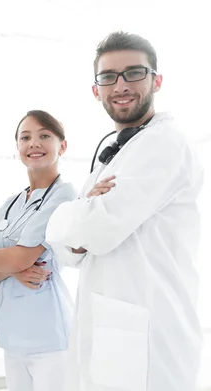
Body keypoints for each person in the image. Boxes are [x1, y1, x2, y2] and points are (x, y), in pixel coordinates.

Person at [46, 31, 204, 391]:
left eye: (134, 73)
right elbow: (73, 253)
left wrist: (65, 216)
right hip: (113, 330)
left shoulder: (163, 142)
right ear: (95, 89)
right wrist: (82, 216)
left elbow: (98, 230)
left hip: (149, 337)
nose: (120, 85)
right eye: (108, 77)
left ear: (156, 80)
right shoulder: (121, 150)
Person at [0, 110, 75, 391]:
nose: (34, 143)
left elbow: (19, 257)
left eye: (44, 136)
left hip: (49, 336)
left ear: (62, 146)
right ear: (18, 147)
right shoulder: (11, 202)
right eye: (25, 137)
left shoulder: (64, 195)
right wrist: (8, 268)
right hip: (12, 334)